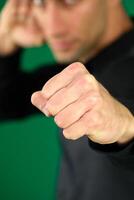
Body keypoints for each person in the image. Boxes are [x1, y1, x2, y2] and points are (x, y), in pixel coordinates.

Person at [0, 0, 134, 199]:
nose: (53, 29)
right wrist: (4, 44)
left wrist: (125, 127)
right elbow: (5, 102)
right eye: (40, 3)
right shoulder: (81, 66)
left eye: (70, 1)